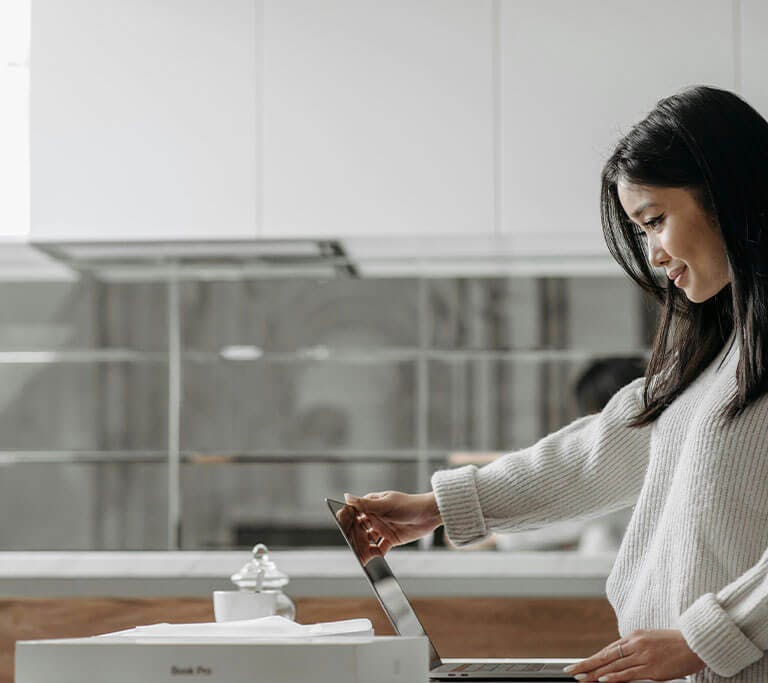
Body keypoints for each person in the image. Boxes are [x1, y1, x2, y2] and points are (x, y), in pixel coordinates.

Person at [343, 86, 768, 683]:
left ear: (728, 193)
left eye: (655, 221)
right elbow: (594, 455)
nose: (652, 256)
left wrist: (706, 639)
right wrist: (435, 508)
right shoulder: (714, 356)